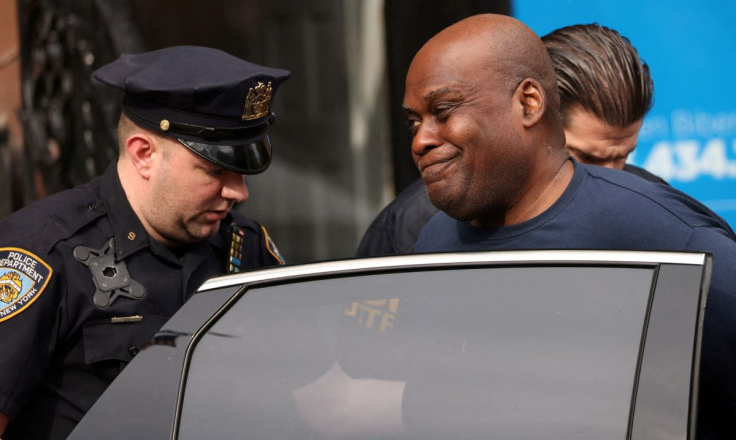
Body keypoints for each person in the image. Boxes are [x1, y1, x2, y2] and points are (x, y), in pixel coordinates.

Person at [403, 14, 736, 438]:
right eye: (415, 121)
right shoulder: (431, 243)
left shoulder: (666, 239)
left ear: (528, 103)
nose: (421, 140)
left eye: (443, 111)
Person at [0, 46, 290, 439]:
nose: (239, 192)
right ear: (143, 154)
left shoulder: (245, 246)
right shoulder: (44, 253)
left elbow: (294, 394)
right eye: (217, 170)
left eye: (243, 172)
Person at [356, 22, 667, 257]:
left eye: (623, 156)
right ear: (530, 108)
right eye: (585, 157)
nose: (610, 176)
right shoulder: (415, 225)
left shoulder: (657, 212)